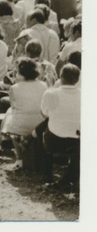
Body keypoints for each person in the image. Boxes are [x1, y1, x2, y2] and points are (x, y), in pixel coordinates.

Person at [0, 58, 47, 166]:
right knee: (11, 113)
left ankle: (18, 158)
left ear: (20, 73)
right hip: (40, 123)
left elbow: (14, 108)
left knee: (11, 113)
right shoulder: (43, 85)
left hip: (20, 126)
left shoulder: (14, 88)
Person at [40, 63, 80, 191]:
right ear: (77, 79)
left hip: (54, 141)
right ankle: (69, 178)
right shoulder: (86, 95)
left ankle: (47, 175)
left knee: (46, 130)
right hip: (76, 140)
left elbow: (44, 113)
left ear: (61, 77)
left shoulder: (50, 94)